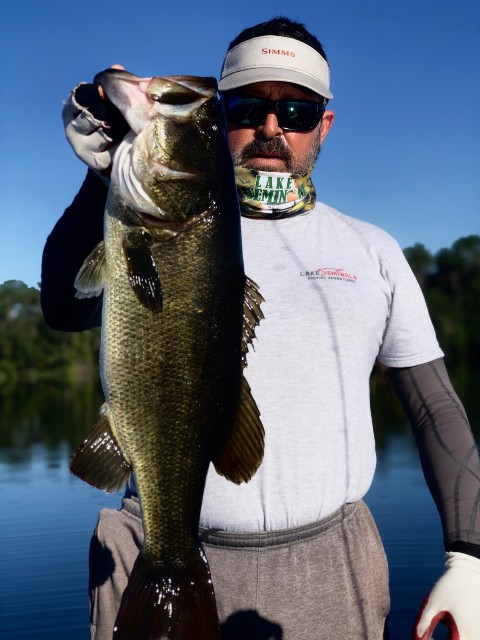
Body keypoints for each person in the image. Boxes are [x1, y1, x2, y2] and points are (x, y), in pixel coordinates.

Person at [41, 16, 480, 640]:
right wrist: (100, 181)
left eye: (297, 112)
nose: (271, 128)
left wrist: (470, 555)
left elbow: (436, 408)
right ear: (220, 116)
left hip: (331, 567)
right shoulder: (145, 212)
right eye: (249, 106)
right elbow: (63, 306)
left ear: (323, 125)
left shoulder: (374, 250)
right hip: (153, 546)